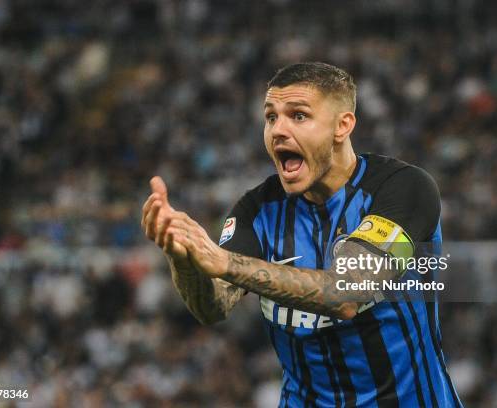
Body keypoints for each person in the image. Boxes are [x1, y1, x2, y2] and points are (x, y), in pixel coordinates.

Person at [141, 62, 462, 407]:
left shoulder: (402, 188)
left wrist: (225, 262)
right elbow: (212, 307)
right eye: (270, 117)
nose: (278, 129)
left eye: (298, 116)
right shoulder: (257, 210)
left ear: (342, 126)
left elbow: (347, 294)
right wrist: (182, 258)